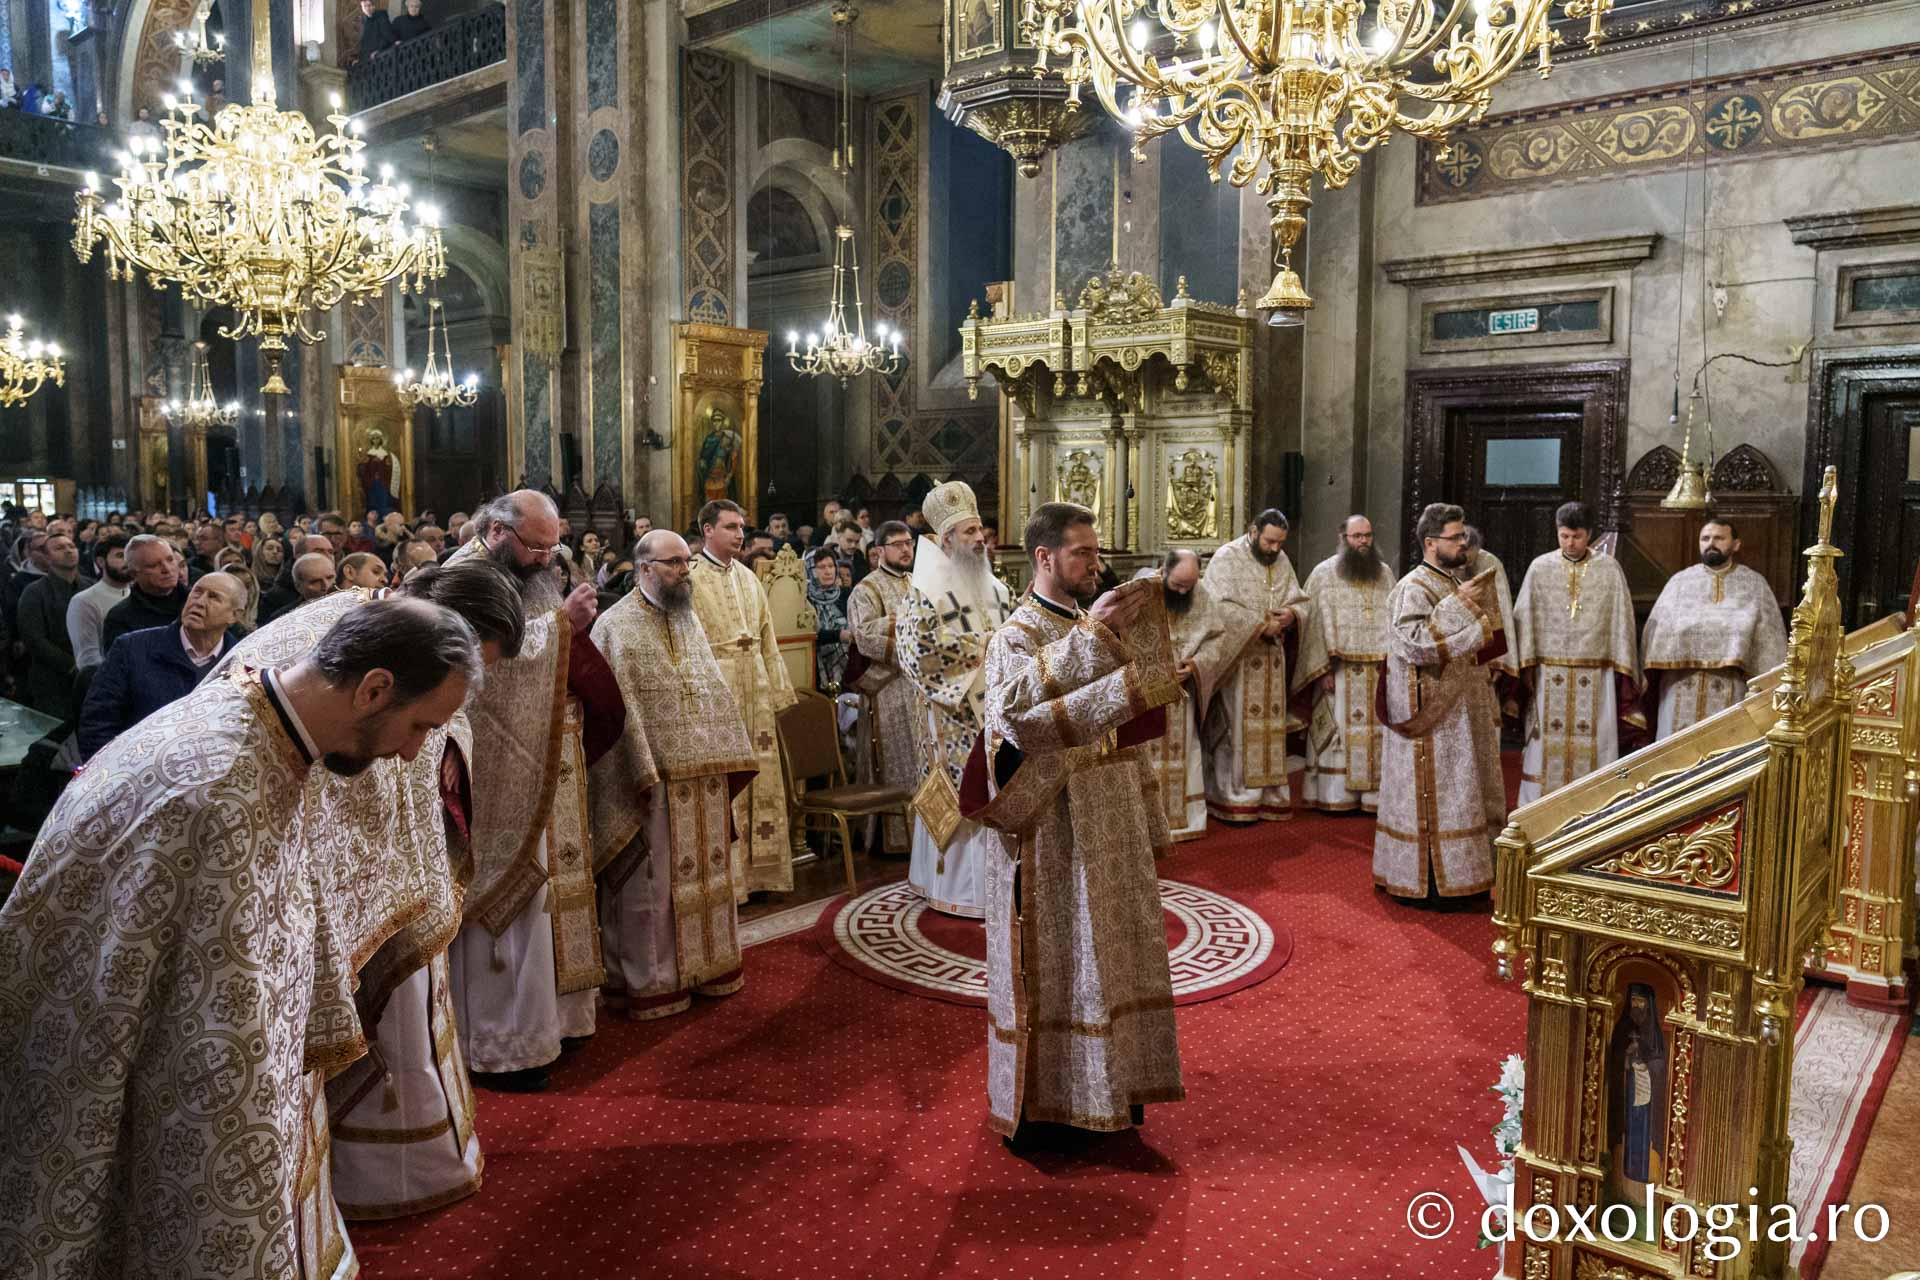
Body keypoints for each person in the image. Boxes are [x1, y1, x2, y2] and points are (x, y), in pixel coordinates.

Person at [0, 598, 483, 1279]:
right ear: (373, 688)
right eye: (417, 727)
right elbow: (214, 1041)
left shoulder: (254, 713)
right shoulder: (223, 788)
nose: (410, 754)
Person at [209, 559, 525, 1224]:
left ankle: (420, 1161)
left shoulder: (404, 639)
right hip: (333, 890)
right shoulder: (328, 639)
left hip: (402, 875)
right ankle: (372, 1179)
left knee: (416, 1025)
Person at [972, 501, 1183, 1143]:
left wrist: (1150, 814)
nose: (1096, 563)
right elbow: (1015, 721)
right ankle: (1052, 1104)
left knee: (1116, 953)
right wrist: (1102, 653)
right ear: (1044, 557)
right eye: (1082, 553)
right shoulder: (1015, 635)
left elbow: (1136, 719)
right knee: (1062, 958)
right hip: (1052, 826)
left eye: (1097, 552)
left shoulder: (1100, 621)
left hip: (1112, 806)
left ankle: (1116, 1090)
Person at [445, 491, 625, 1092]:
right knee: (513, 904)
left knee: (554, 896)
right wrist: (560, 625)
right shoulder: (462, 578)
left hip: (548, 756)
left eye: (554, 546)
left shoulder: (527, 571)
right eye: (536, 546)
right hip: (499, 772)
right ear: (496, 530)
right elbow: (479, 666)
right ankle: (505, 1045)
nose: (548, 558)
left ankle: (558, 1020)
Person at [589, 530, 758, 1020]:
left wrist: (727, 755)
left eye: (686, 562)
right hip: (652, 780)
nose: (685, 572)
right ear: (644, 568)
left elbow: (711, 692)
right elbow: (615, 710)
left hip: (702, 777)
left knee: (707, 877)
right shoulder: (613, 626)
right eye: (674, 564)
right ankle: (653, 982)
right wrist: (640, 767)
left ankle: (709, 968)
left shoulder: (688, 620)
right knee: (652, 885)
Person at [1372, 504, 1508, 903]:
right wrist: (1462, 608)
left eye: (1463, 535)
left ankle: (1466, 876)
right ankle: (1431, 883)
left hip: (1463, 714)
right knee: (1440, 798)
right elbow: (1412, 643)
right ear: (1431, 543)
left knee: (1467, 792)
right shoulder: (1413, 587)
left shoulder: (1450, 581)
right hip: (1432, 724)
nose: (1463, 542)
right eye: (1455, 537)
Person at [895, 481, 1013, 917]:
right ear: (946, 540)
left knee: (998, 785)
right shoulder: (923, 591)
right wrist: (981, 649)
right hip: (952, 711)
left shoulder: (998, 589)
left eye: (980, 530)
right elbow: (915, 652)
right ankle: (956, 889)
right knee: (963, 787)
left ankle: (997, 887)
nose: (979, 538)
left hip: (998, 710)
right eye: (968, 532)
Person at [689, 498, 797, 899]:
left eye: (742, 527)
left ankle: (761, 875)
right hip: (718, 694)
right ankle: (730, 883)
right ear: (708, 531)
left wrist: (778, 692)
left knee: (761, 781)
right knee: (728, 787)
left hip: (756, 689)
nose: (740, 534)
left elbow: (767, 636)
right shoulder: (690, 579)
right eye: (732, 527)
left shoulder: (749, 577)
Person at [1512, 502, 1645, 805]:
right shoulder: (1540, 567)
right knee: (1544, 740)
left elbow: (1621, 621)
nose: (1570, 543)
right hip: (1549, 670)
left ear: (1590, 535)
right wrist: (1527, 666)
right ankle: (1538, 807)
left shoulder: (1609, 569)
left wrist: (1620, 664)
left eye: (1577, 537)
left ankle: (1597, 805)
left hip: (1595, 671)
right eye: (1564, 536)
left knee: (1597, 735)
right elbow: (1525, 618)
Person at [1140, 549, 1261, 840]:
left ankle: (1187, 822)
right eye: (1178, 585)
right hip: (1149, 695)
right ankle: (1148, 823)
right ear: (1163, 571)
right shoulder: (1141, 594)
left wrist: (1194, 666)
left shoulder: (1201, 596)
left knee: (1186, 752)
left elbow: (1216, 638)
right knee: (1148, 756)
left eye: (1188, 586)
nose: (1183, 591)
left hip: (1183, 694)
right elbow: (1123, 640)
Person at [1201, 509, 1311, 822]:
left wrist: (1291, 615)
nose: (1275, 549)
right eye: (1270, 541)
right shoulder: (1227, 558)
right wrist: (1260, 625)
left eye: (1280, 543)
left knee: (1271, 729)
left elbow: (1299, 598)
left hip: (1272, 663)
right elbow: (1217, 605)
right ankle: (1236, 797)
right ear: (1253, 531)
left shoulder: (1282, 560)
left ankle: (1270, 795)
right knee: (1238, 728)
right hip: (1240, 661)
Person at [1641, 516, 1788, 738]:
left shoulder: (1754, 584)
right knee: (1674, 751)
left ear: (1735, 544)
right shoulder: (1680, 582)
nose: (1711, 543)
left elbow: (1770, 640)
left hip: (1730, 683)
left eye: (1719, 538)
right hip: (1680, 684)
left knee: (1723, 746)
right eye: (1705, 538)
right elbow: (1656, 634)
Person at [80, 571, 246, 759]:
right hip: (136, 772)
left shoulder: (243, 663)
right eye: (197, 592)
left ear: (234, 616)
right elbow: (97, 724)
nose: (199, 602)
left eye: (214, 597)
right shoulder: (131, 648)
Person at [1293, 515, 1394, 814]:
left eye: (1368, 535)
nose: (1363, 541)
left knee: (1376, 735)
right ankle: (1335, 796)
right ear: (1343, 537)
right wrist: (1321, 667)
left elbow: (1393, 618)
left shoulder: (1385, 573)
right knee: (1338, 733)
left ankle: (1372, 798)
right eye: (1356, 536)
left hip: (1377, 672)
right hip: (1338, 672)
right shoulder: (1323, 574)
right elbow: (1311, 625)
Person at [845, 521, 920, 854]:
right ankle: (890, 840)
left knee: (919, 761)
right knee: (890, 759)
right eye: (898, 544)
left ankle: (922, 838)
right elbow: (864, 638)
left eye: (909, 543)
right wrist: (906, 635)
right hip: (887, 687)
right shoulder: (866, 589)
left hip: (918, 686)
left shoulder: (919, 584)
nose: (906, 549)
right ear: (879, 551)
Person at [13, 532, 88, 719]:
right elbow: (34, 638)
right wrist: (71, 665)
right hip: (53, 680)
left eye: (71, 546)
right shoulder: (35, 592)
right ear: (47, 557)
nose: (68, 551)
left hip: (90, 676)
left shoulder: (90, 587)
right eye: (59, 548)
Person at [100, 533, 189, 651]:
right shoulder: (120, 618)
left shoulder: (198, 602)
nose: (167, 569)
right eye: (153, 565)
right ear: (133, 574)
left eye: (170, 559)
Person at [66, 531, 132, 671]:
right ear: (101, 562)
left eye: (130, 556)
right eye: (120, 556)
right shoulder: (84, 601)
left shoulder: (140, 594)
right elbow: (88, 658)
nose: (127, 562)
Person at [807, 548, 852, 689]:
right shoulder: (804, 599)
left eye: (831, 566)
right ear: (810, 570)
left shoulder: (847, 595)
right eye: (821, 567)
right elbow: (810, 634)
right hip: (817, 666)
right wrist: (839, 635)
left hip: (849, 664)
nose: (828, 571)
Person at [261, 550, 337, 624]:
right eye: (315, 582)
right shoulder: (281, 620)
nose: (326, 586)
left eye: (330, 578)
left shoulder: (347, 606)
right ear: (298, 587)